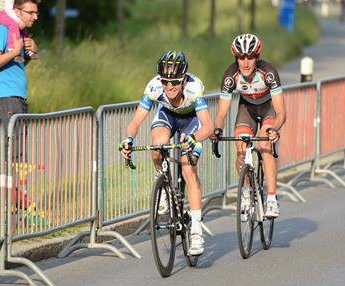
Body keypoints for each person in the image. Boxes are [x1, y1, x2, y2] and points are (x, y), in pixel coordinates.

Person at [120, 51, 213, 256]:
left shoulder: (194, 88)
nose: (169, 87)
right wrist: (128, 140)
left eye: (175, 82)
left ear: (184, 79)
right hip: (168, 116)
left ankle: (196, 232)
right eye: (165, 82)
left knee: (188, 169)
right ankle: (161, 178)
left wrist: (194, 139)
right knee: (157, 145)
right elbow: (136, 121)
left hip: (191, 121)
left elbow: (208, 127)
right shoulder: (154, 87)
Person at [212, 34, 285, 218]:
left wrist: (274, 129)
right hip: (247, 109)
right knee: (241, 148)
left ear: (257, 57)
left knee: (264, 145)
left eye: (250, 57)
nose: (245, 63)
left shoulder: (268, 73)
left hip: (268, 108)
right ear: (235, 58)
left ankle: (272, 199)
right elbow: (221, 114)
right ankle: (245, 192)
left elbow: (281, 112)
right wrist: (217, 129)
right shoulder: (231, 76)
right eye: (241, 57)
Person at [0, 0, 40, 133]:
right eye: (30, 12)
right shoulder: (1, 30)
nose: (35, 17)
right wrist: (15, 51)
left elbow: (16, 63)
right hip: (5, 96)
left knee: (17, 147)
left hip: (17, 96)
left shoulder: (20, 33)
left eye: (36, 13)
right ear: (16, 11)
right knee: (13, 148)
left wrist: (31, 53)